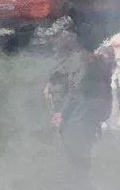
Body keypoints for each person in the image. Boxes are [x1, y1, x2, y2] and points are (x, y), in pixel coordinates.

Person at [44, 17, 112, 181]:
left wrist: (62, 113)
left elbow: (76, 90)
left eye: (57, 37)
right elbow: (64, 81)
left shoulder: (81, 58)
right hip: (70, 121)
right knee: (73, 163)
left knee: (79, 164)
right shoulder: (68, 58)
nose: (53, 42)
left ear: (69, 37)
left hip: (77, 121)